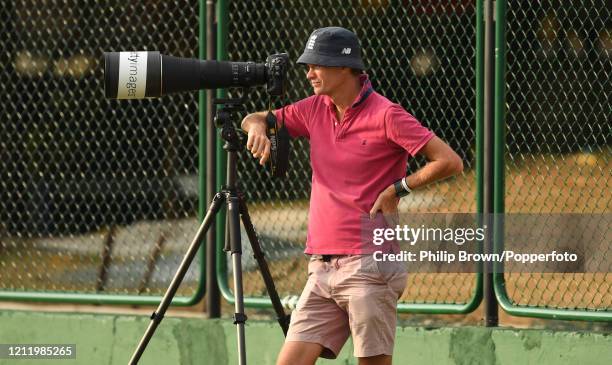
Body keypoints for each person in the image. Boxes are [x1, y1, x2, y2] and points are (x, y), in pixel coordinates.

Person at [241, 26, 463, 365]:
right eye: (307, 66)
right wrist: (257, 126)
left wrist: (398, 188)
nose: (309, 73)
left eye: (317, 65)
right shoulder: (314, 108)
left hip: (370, 264)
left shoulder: (386, 114)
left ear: (344, 67)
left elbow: (449, 161)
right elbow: (253, 118)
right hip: (321, 268)